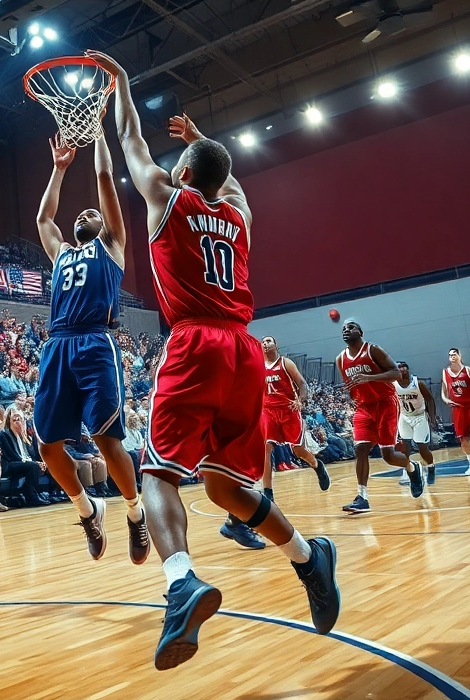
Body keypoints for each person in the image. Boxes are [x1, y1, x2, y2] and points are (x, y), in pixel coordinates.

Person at [90, 48, 340, 672]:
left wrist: (121, 82)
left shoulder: (165, 200)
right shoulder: (239, 218)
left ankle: (181, 583)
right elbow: (236, 185)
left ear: (181, 173)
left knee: (158, 474)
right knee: (229, 485)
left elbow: (128, 137)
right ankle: (310, 558)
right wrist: (207, 145)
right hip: (245, 351)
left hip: (196, 343)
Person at [33, 130, 148, 564]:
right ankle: (87, 509)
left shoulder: (112, 245)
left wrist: (97, 132)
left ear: (103, 225)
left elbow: (104, 173)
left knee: (104, 437)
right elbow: (45, 219)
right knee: (46, 445)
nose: (85, 213)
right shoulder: (61, 251)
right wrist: (59, 169)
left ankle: (135, 514)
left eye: (92, 213)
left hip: (95, 343)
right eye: (80, 214)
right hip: (58, 344)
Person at [336, 321, 424, 514]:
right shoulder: (340, 359)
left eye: (351, 327)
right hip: (364, 407)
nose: (346, 330)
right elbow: (352, 386)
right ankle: (362, 497)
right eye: (343, 328)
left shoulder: (373, 350)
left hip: (386, 403)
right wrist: (352, 396)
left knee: (388, 456)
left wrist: (370, 378)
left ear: (360, 332)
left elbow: (396, 373)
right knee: (360, 449)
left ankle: (412, 468)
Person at [259, 336, 332, 504]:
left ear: (275, 345)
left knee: (297, 451)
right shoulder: (258, 366)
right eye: (263, 341)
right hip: (268, 411)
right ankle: (268, 492)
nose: (265, 343)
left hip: (288, 410)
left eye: (268, 341)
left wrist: (300, 400)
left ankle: (317, 465)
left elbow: (302, 383)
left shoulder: (285, 363)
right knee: (266, 448)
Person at [394, 362, 439, 488]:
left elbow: (430, 400)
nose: (402, 370)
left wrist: (432, 418)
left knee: (421, 446)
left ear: (408, 370)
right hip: (405, 416)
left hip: (419, 416)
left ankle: (430, 467)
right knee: (405, 446)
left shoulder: (418, 383)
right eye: (399, 368)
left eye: (404, 368)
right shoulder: (393, 385)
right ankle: (406, 471)